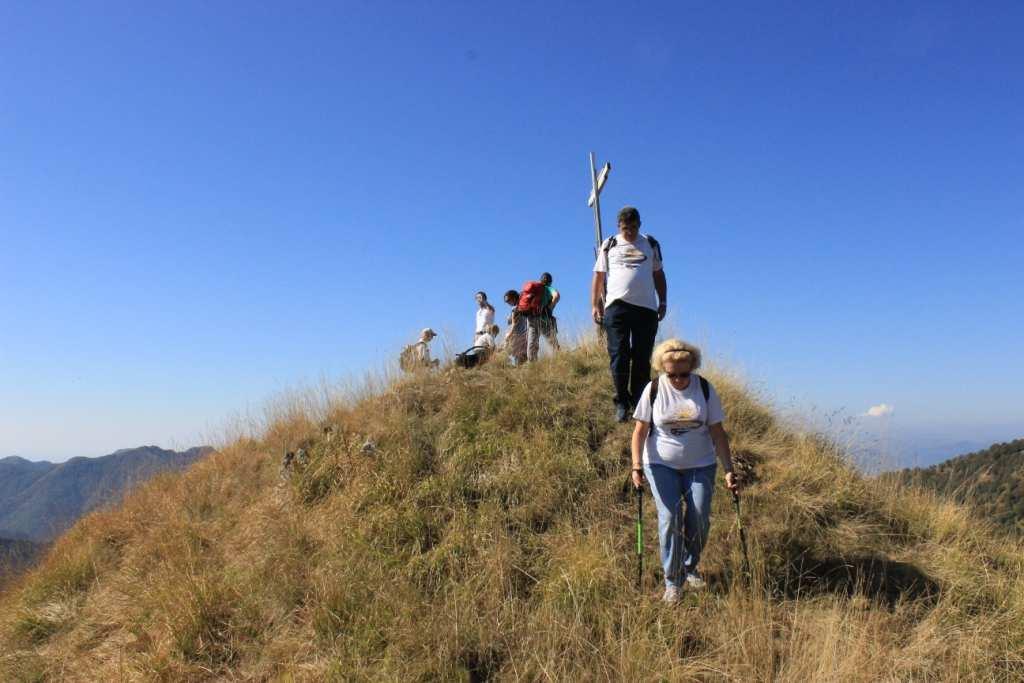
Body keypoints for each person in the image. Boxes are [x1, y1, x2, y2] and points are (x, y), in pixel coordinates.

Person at [630, 339, 739, 603]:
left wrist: (728, 469)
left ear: (692, 367)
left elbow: (718, 433)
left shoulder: (704, 388)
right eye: (672, 374)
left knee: (699, 518)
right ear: (662, 369)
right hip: (660, 464)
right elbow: (640, 431)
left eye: (684, 374)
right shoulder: (653, 389)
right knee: (670, 518)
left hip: (701, 463)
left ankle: (690, 566)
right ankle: (673, 581)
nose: (678, 379)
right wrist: (635, 466)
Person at [591, 206, 668, 422]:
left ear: (640, 225)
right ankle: (621, 403)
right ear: (619, 226)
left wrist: (662, 301)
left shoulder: (650, 243)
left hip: (646, 309)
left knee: (642, 358)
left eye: (634, 227)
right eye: (626, 228)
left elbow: (659, 274)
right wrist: (595, 304)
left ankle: (639, 402)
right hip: (616, 307)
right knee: (619, 356)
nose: (630, 232)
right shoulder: (609, 244)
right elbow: (598, 276)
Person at [525, 272, 560, 359]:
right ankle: (560, 357)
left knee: (532, 343)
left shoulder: (535, 289)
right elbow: (556, 296)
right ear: (550, 282)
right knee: (552, 342)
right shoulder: (548, 288)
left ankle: (532, 365)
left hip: (531, 319)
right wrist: (549, 308)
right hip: (544, 319)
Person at [502, 290, 528, 365]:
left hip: (517, 336)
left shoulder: (514, 309)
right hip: (525, 335)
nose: (507, 303)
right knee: (524, 356)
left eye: (508, 300)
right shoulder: (523, 306)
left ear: (513, 298)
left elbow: (514, 325)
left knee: (517, 357)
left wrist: (508, 336)